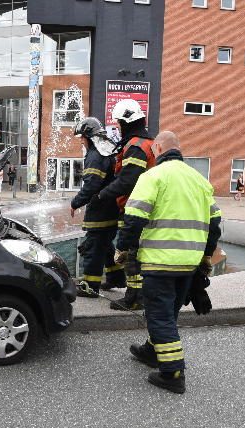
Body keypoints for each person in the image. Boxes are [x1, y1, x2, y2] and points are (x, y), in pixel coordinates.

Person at [115, 131, 222, 394]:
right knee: (168, 312)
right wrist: (206, 257)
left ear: (158, 149)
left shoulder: (152, 176)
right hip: (188, 263)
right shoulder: (199, 180)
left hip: (159, 261)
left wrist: (123, 247)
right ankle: (152, 351)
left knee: (159, 316)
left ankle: (173, 372)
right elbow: (215, 224)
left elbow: (135, 218)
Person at [98, 99, 156, 312]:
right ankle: (137, 294)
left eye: (119, 124)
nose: (118, 128)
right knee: (137, 253)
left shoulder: (136, 147)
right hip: (144, 207)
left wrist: (102, 195)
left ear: (126, 122)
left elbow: (128, 180)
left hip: (135, 208)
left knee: (132, 253)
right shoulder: (145, 143)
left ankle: (134, 297)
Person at [70, 117, 126, 298]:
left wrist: (75, 202)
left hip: (100, 210)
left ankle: (90, 285)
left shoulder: (95, 155)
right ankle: (116, 277)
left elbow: (91, 185)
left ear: (88, 137)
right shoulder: (107, 151)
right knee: (105, 243)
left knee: (93, 246)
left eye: (82, 138)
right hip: (111, 209)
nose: (81, 141)